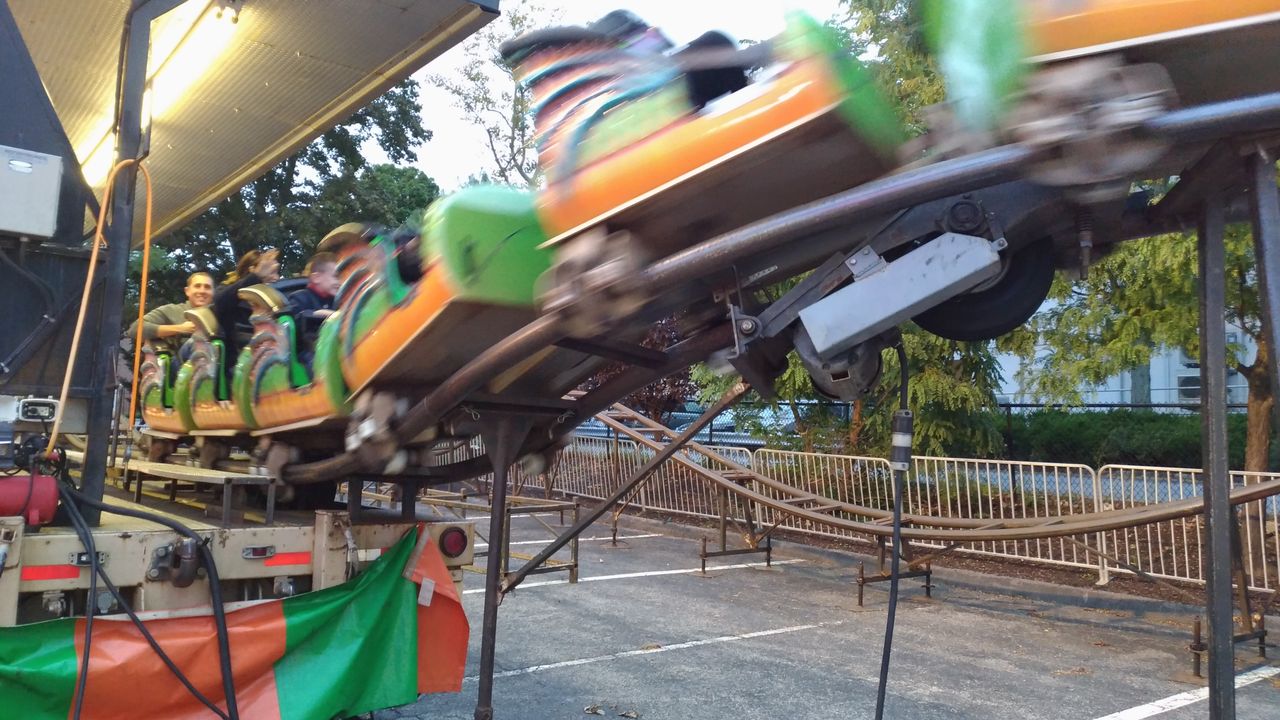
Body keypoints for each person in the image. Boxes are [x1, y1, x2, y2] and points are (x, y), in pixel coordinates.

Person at [212, 249, 280, 387]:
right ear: (252, 270)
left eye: (276, 273)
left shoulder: (278, 297)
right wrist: (256, 277)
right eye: (271, 272)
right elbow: (219, 303)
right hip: (242, 360)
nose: (276, 278)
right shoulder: (229, 295)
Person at [125, 271, 215, 359]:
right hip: (178, 369)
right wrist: (181, 328)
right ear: (187, 291)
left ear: (213, 292)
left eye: (207, 287)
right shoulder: (171, 310)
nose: (202, 291)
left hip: (219, 368)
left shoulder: (220, 313)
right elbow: (135, 329)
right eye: (197, 286)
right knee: (197, 341)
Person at [286, 252, 340, 369]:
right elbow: (296, 323)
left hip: (336, 345)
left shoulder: (337, 300)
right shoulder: (300, 297)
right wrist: (317, 314)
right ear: (317, 278)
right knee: (322, 363)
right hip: (310, 350)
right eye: (336, 276)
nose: (339, 282)